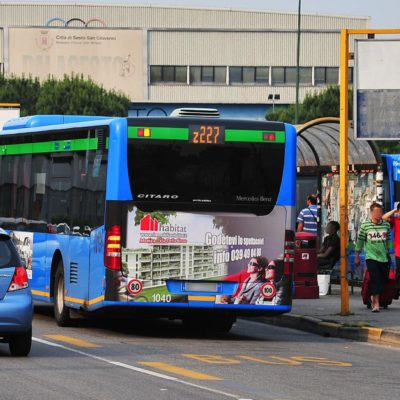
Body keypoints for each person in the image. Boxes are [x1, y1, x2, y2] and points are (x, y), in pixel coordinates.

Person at [355, 203, 391, 312]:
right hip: (371, 257)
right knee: (375, 279)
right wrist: (357, 256)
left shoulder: (386, 225)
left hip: (384, 257)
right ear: (371, 212)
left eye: (380, 212)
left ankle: (372, 297)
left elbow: (388, 241)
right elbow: (360, 242)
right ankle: (376, 303)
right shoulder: (365, 226)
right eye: (376, 212)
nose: (378, 214)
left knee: (383, 279)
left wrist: (389, 253)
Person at [382, 203, 400, 299]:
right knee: (398, 272)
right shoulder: (396, 220)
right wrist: (394, 210)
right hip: (399, 250)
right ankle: (396, 291)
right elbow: (384, 217)